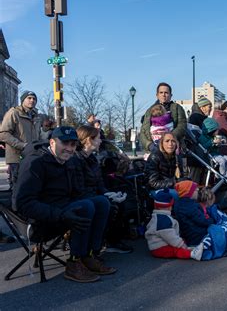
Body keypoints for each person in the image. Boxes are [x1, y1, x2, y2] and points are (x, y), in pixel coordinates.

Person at [13, 126, 116, 283]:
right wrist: (61, 215)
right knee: (85, 208)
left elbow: (78, 192)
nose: (69, 148)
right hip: (37, 220)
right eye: (65, 143)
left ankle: (88, 255)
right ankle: (74, 263)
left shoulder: (68, 161)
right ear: (52, 142)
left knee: (101, 203)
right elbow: (23, 204)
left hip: (61, 209)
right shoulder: (34, 163)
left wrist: (107, 196)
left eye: (73, 144)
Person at [74, 125, 132, 254]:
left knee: (119, 202)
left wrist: (109, 193)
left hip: (93, 194)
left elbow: (99, 182)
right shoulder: (76, 159)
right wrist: (106, 196)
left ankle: (110, 241)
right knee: (108, 206)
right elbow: (78, 187)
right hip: (83, 197)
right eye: (98, 138)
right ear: (89, 140)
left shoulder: (92, 158)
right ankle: (94, 249)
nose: (101, 141)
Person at [145, 188, 203, 260]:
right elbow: (170, 236)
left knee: (180, 242)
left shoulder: (159, 216)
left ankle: (190, 249)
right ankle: (192, 254)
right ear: (169, 206)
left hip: (161, 244)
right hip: (159, 248)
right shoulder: (163, 220)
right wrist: (181, 245)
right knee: (176, 250)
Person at [0, 90, 42, 190]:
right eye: (29, 98)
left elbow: (38, 135)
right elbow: (3, 134)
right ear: (23, 100)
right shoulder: (13, 113)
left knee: (31, 186)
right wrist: (22, 145)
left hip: (32, 156)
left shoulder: (36, 116)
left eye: (34, 99)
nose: (32, 100)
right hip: (17, 157)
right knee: (17, 187)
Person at [140, 82, 187, 152]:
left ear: (171, 95)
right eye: (161, 92)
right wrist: (149, 145)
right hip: (154, 148)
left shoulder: (177, 108)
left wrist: (168, 139)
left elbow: (182, 125)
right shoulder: (150, 110)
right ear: (157, 95)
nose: (163, 95)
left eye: (166, 93)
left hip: (173, 147)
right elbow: (143, 131)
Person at [173, 181, 215, 246]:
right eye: (195, 189)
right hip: (197, 236)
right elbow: (202, 221)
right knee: (219, 231)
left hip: (189, 235)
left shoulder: (180, 203)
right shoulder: (189, 206)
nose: (198, 190)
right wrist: (212, 220)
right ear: (188, 193)